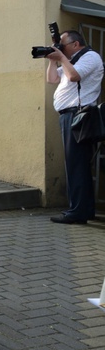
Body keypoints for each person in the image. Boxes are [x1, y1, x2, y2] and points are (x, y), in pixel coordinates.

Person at [46, 30, 103, 224]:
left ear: (76, 44)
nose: (61, 48)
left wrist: (61, 57)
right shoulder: (72, 60)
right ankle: (83, 210)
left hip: (79, 116)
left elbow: (74, 77)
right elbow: (52, 79)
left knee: (76, 164)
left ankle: (78, 212)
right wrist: (53, 59)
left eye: (63, 45)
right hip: (69, 116)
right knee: (75, 164)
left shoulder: (90, 57)